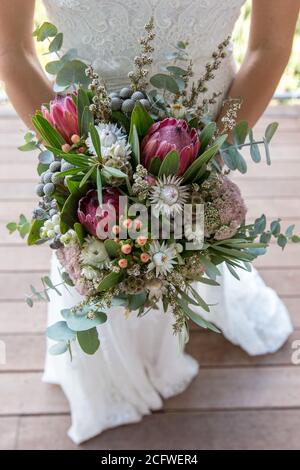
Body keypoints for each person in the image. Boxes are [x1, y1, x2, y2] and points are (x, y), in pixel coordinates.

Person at [0, 0, 299, 444]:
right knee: (101, 265)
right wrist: (79, 165)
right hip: (88, 146)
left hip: (206, 129)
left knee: (189, 242)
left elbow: (271, 43)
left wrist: (207, 158)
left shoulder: (208, 146)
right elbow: (11, 48)